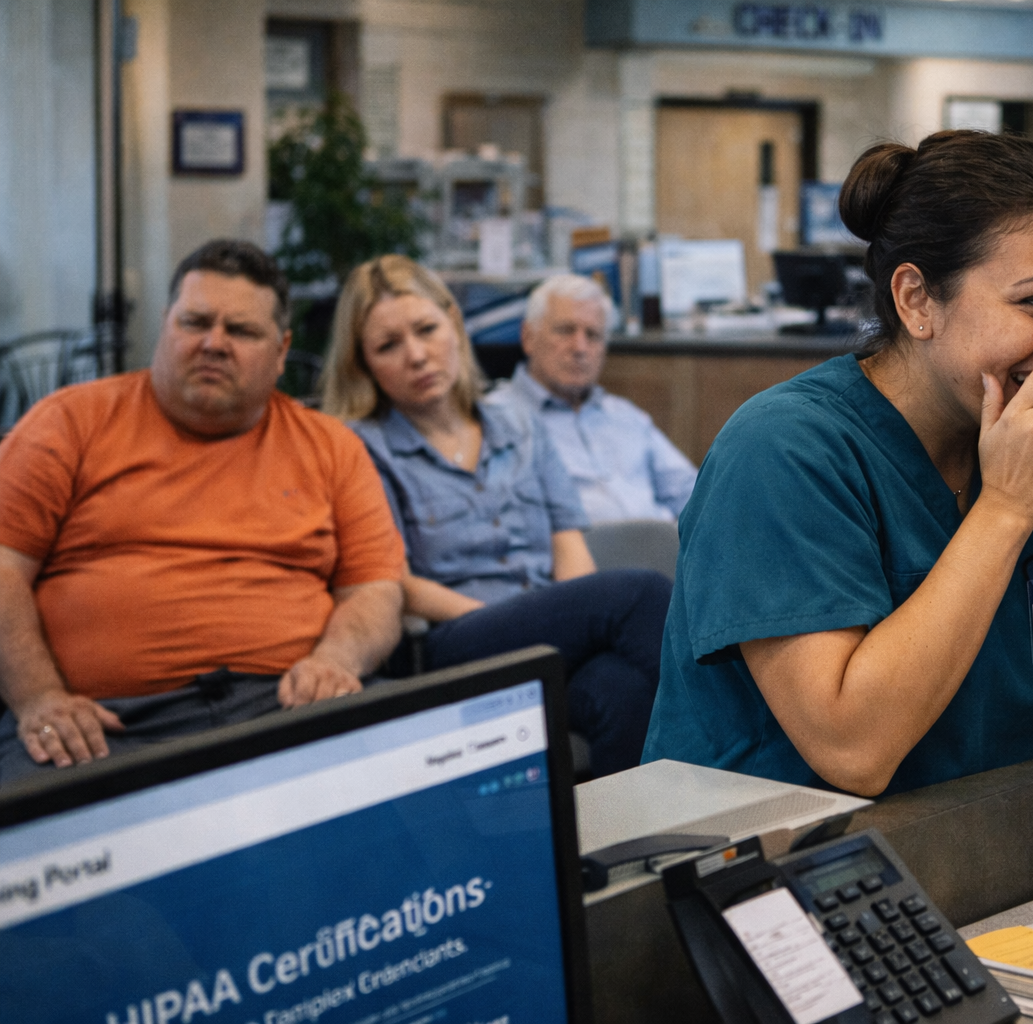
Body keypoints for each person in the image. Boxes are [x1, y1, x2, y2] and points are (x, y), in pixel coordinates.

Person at [643, 131, 1033, 796]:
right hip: (777, 871)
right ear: (917, 301)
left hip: (979, 853)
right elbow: (853, 749)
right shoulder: (784, 450)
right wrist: (1007, 508)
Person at [0, 240, 405, 784]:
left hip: (289, 706)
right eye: (195, 322)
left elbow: (375, 590)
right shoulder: (69, 423)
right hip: (106, 725)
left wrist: (336, 661)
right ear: (165, 325)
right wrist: (39, 697)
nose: (214, 344)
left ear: (281, 351)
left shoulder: (331, 447)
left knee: (431, 794)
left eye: (241, 331)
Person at [320, 255, 672, 777]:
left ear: (454, 326)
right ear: (362, 362)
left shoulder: (518, 422)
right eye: (388, 346)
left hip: (546, 621)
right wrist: (527, 623)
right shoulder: (360, 445)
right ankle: (742, 750)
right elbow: (391, 579)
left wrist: (571, 623)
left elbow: (567, 543)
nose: (416, 355)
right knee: (643, 593)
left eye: (426, 330)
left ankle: (631, 848)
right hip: (450, 638)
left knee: (624, 690)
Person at [484, 273, 697, 523]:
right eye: (565, 331)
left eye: (593, 335)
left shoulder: (626, 416)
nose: (580, 348)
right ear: (528, 337)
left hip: (662, 555)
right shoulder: (495, 418)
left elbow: (697, 497)